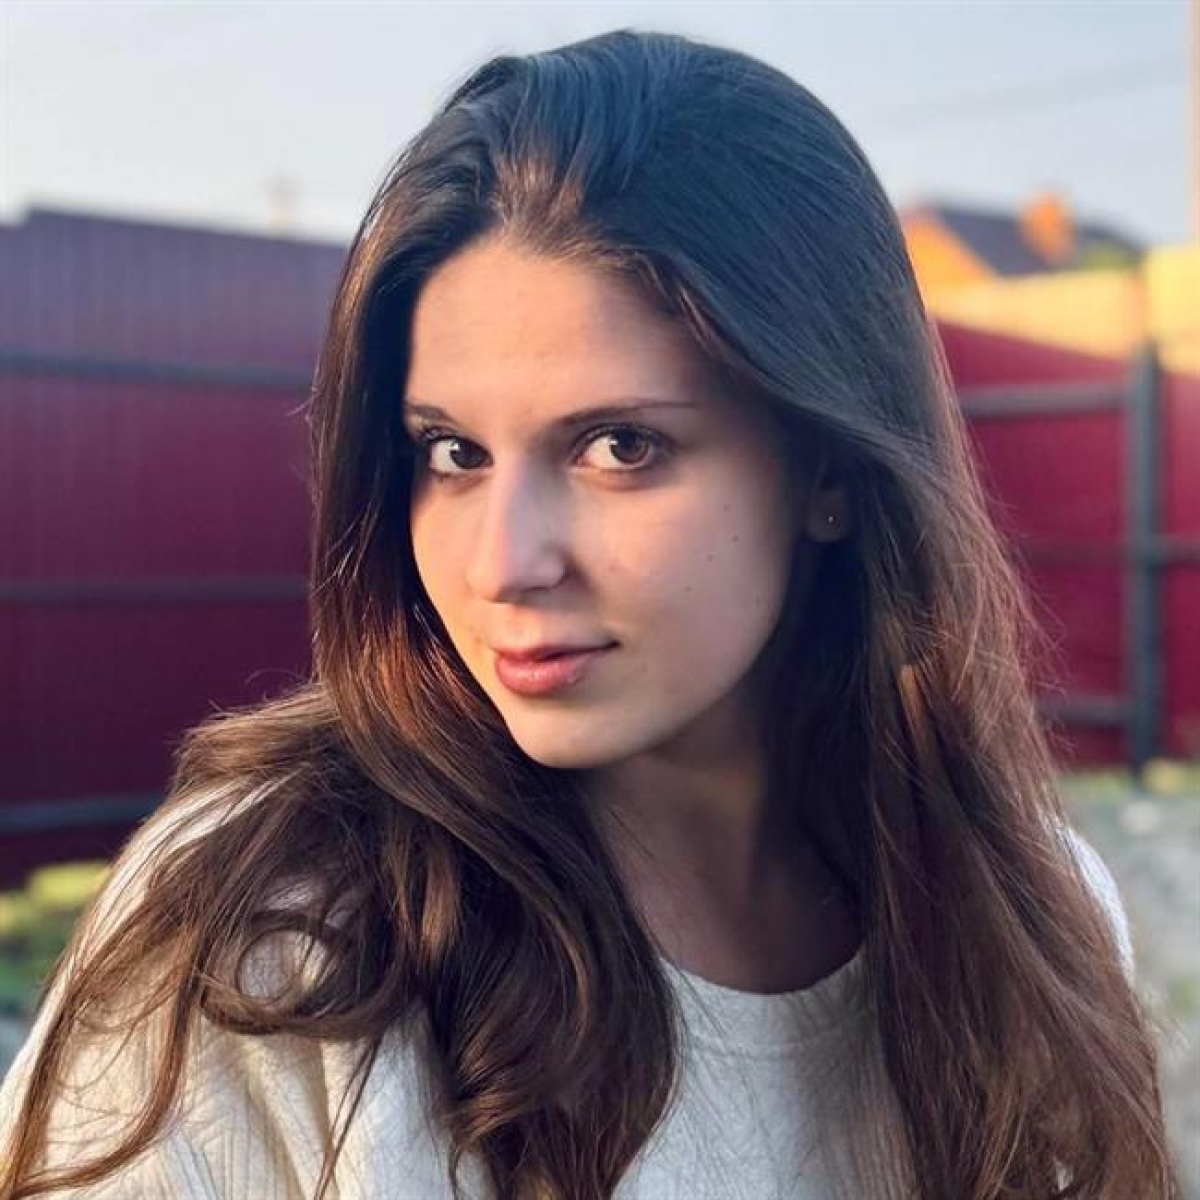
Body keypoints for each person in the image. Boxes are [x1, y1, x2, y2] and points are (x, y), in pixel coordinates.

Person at [0, 28, 1179, 1200]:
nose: (504, 564)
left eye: (620, 446)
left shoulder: (1028, 923)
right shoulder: (274, 941)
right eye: (452, 452)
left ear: (826, 468)